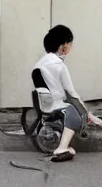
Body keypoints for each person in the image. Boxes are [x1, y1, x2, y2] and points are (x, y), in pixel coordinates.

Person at [34, 25, 89, 162]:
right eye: (70, 44)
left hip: (44, 102)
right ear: (63, 46)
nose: (71, 47)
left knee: (72, 108)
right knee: (75, 114)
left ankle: (64, 145)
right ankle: (62, 148)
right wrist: (85, 113)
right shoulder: (60, 66)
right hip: (56, 103)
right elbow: (71, 93)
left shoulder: (41, 63)